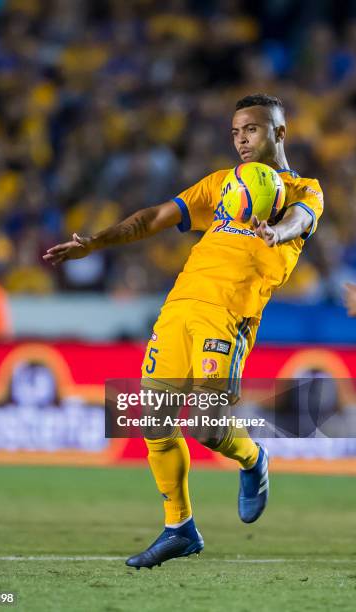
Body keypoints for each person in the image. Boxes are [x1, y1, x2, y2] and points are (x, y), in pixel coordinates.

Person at [44, 94, 324, 569]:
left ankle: (253, 458)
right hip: (178, 308)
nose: (240, 139)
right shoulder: (220, 185)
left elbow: (303, 220)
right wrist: (96, 243)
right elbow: (155, 217)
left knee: (205, 425)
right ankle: (180, 528)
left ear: (279, 132)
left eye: (251, 129)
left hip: (228, 316)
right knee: (154, 422)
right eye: (235, 131)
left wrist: (277, 233)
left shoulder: (304, 191)